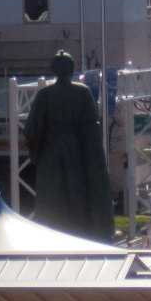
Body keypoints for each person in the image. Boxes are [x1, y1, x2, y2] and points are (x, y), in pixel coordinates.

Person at [25, 51, 114, 241]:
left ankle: (51, 231)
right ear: (71, 69)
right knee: (76, 191)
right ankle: (78, 227)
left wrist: (37, 152)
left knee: (51, 195)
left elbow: (32, 129)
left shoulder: (44, 95)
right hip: (75, 151)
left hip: (50, 152)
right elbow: (91, 127)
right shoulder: (82, 92)